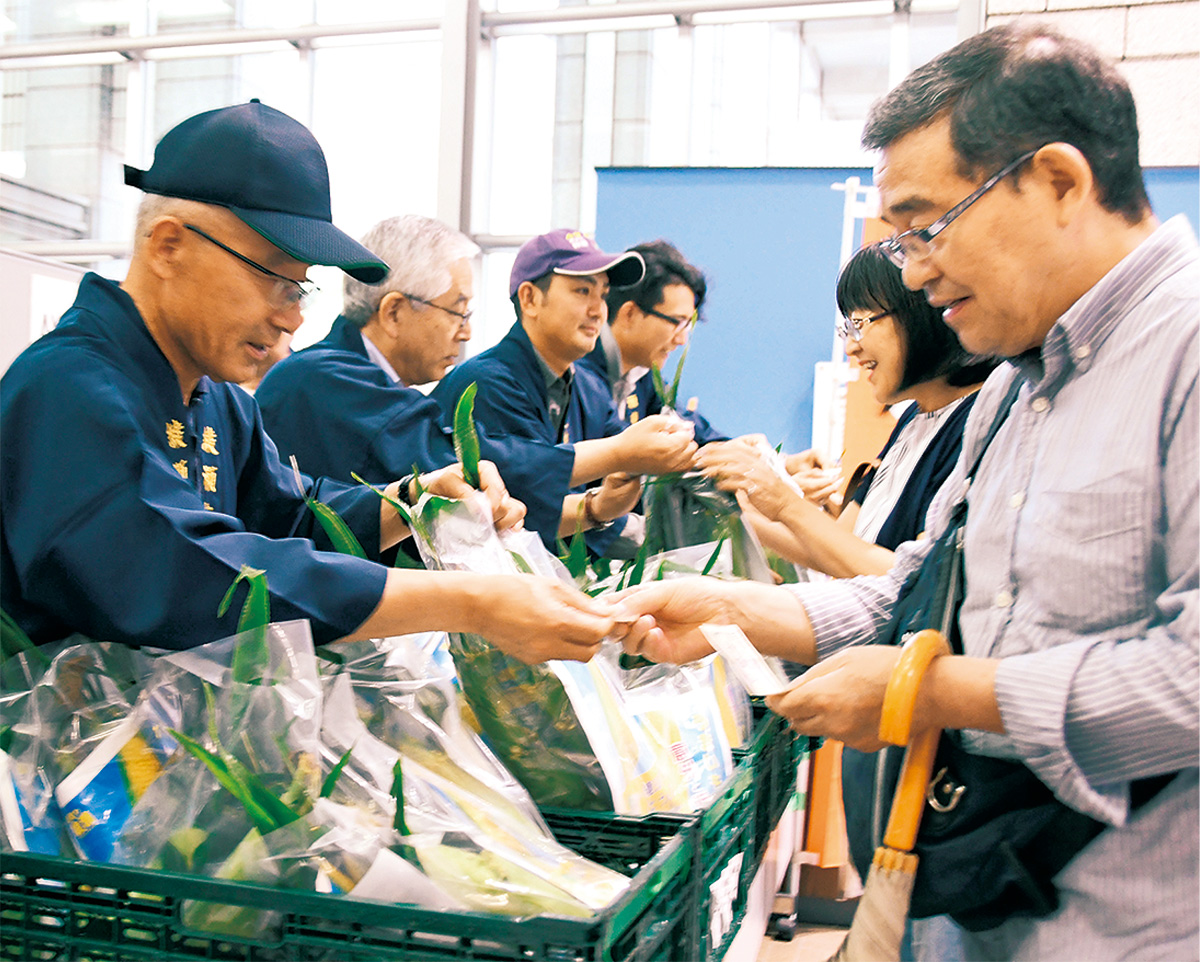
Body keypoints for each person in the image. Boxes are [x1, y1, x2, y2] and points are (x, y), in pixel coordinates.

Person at [617, 23, 1197, 959]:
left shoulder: (1185, 355)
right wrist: (731, 610)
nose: (916, 272)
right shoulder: (1017, 382)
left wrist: (934, 693)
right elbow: (914, 589)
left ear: (1058, 182)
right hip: (971, 904)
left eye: (925, 227)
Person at [0, 101, 619, 663]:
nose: (292, 317)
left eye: (300, 287)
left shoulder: (216, 399)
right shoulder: (68, 387)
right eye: (273, 278)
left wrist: (414, 498)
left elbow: (289, 516)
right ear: (167, 247)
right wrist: (470, 602)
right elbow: (187, 574)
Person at [699, 242, 996, 580]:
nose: (851, 346)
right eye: (847, 330)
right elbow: (842, 548)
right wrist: (741, 506)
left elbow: (914, 580)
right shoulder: (915, 418)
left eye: (859, 324)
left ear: (920, 308)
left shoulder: (973, 426)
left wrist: (783, 502)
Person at [432, 229, 698, 554]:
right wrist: (620, 453)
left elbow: (621, 455)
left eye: (602, 294)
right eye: (582, 291)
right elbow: (513, 498)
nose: (598, 310)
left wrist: (600, 505)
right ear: (530, 299)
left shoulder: (587, 388)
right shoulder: (484, 383)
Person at [581, 239, 727, 443]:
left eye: (688, 326)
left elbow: (686, 427)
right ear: (629, 314)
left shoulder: (642, 375)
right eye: (677, 323)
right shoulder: (580, 371)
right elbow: (627, 445)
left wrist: (744, 452)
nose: (682, 340)